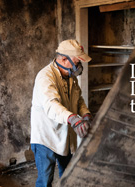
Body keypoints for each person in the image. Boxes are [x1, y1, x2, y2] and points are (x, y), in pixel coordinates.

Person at [30, 39, 93, 187]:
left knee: (69, 175)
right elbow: (51, 105)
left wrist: (86, 115)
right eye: (77, 63)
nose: (79, 67)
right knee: (45, 181)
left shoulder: (71, 77)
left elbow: (79, 101)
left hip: (64, 135)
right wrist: (73, 119)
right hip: (46, 138)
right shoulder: (45, 77)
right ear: (64, 59)